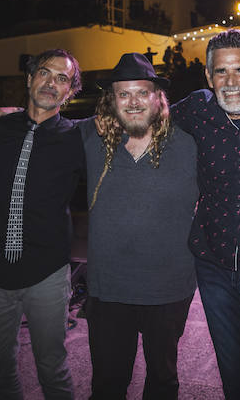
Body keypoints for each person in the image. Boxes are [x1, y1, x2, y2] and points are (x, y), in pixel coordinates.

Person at [0, 29, 240, 400]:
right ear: (208, 76)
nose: (230, 80)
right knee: (214, 378)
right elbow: (65, 121)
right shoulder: (148, 122)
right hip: (181, 277)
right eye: (220, 71)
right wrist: (19, 112)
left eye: (239, 69)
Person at [0, 49, 85, 400]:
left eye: (62, 79)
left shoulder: (77, 137)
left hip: (47, 271)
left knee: (52, 367)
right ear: (29, 79)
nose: (51, 83)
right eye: (44, 73)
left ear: (69, 92)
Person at [80, 53, 199, 400]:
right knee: (107, 385)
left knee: (163, 381)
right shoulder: (91, 137)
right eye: (124, 94)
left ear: (158, 97)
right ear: (111, 100)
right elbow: (47, 126)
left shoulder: (189, 142)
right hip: (108, 289)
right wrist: (13, 114)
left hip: (169, 289)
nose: (133, 102)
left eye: (142, 92)